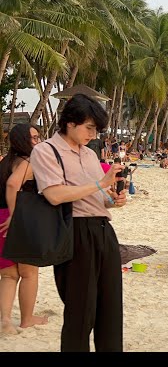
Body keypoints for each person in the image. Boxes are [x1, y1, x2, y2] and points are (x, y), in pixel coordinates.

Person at [29, 93, 128, 352]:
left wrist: (113, 198)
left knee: (110, 309)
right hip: (75, 232)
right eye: (90, 128)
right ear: (70, 122)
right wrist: (100, 183)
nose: (93, 135)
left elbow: (100, 196)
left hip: (104, 231)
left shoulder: (90, 155)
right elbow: (54, 194)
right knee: (80, 312)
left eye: (96, 129)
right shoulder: (46, 150)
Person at [0, 124, 49, 334]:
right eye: (34, 138)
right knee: (29, 273)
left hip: (0, 217)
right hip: (18, 219)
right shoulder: (29, 162)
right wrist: (14, 214)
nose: (37, 141)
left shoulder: (5, 161)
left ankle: (5, 319)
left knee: (9, 275)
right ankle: (27, 319)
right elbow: (13, 185)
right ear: (23, 140)